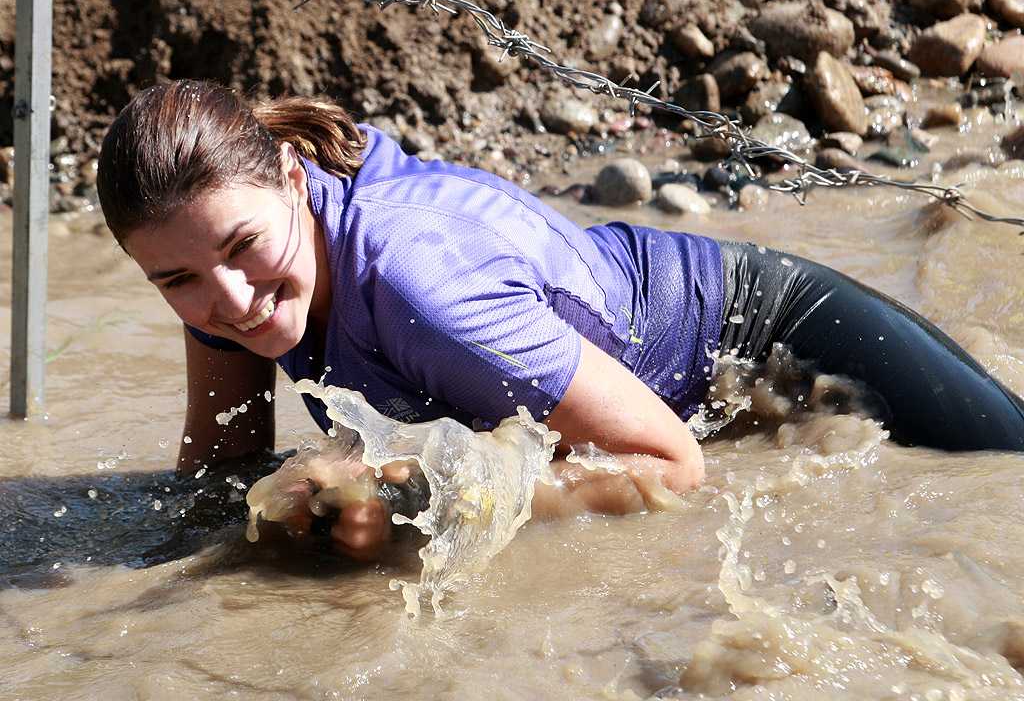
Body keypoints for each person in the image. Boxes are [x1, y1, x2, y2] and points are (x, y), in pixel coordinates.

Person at [97, 80, 1024, 559]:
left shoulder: (421, 290)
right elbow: (219, 481)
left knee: (1008, 469)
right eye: (175, 279)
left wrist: (415, 506)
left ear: (295, 183)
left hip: (767, 332)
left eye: (242, 249)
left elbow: (673, 466)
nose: (229, 303)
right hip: (638, 365)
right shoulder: (223, 281)